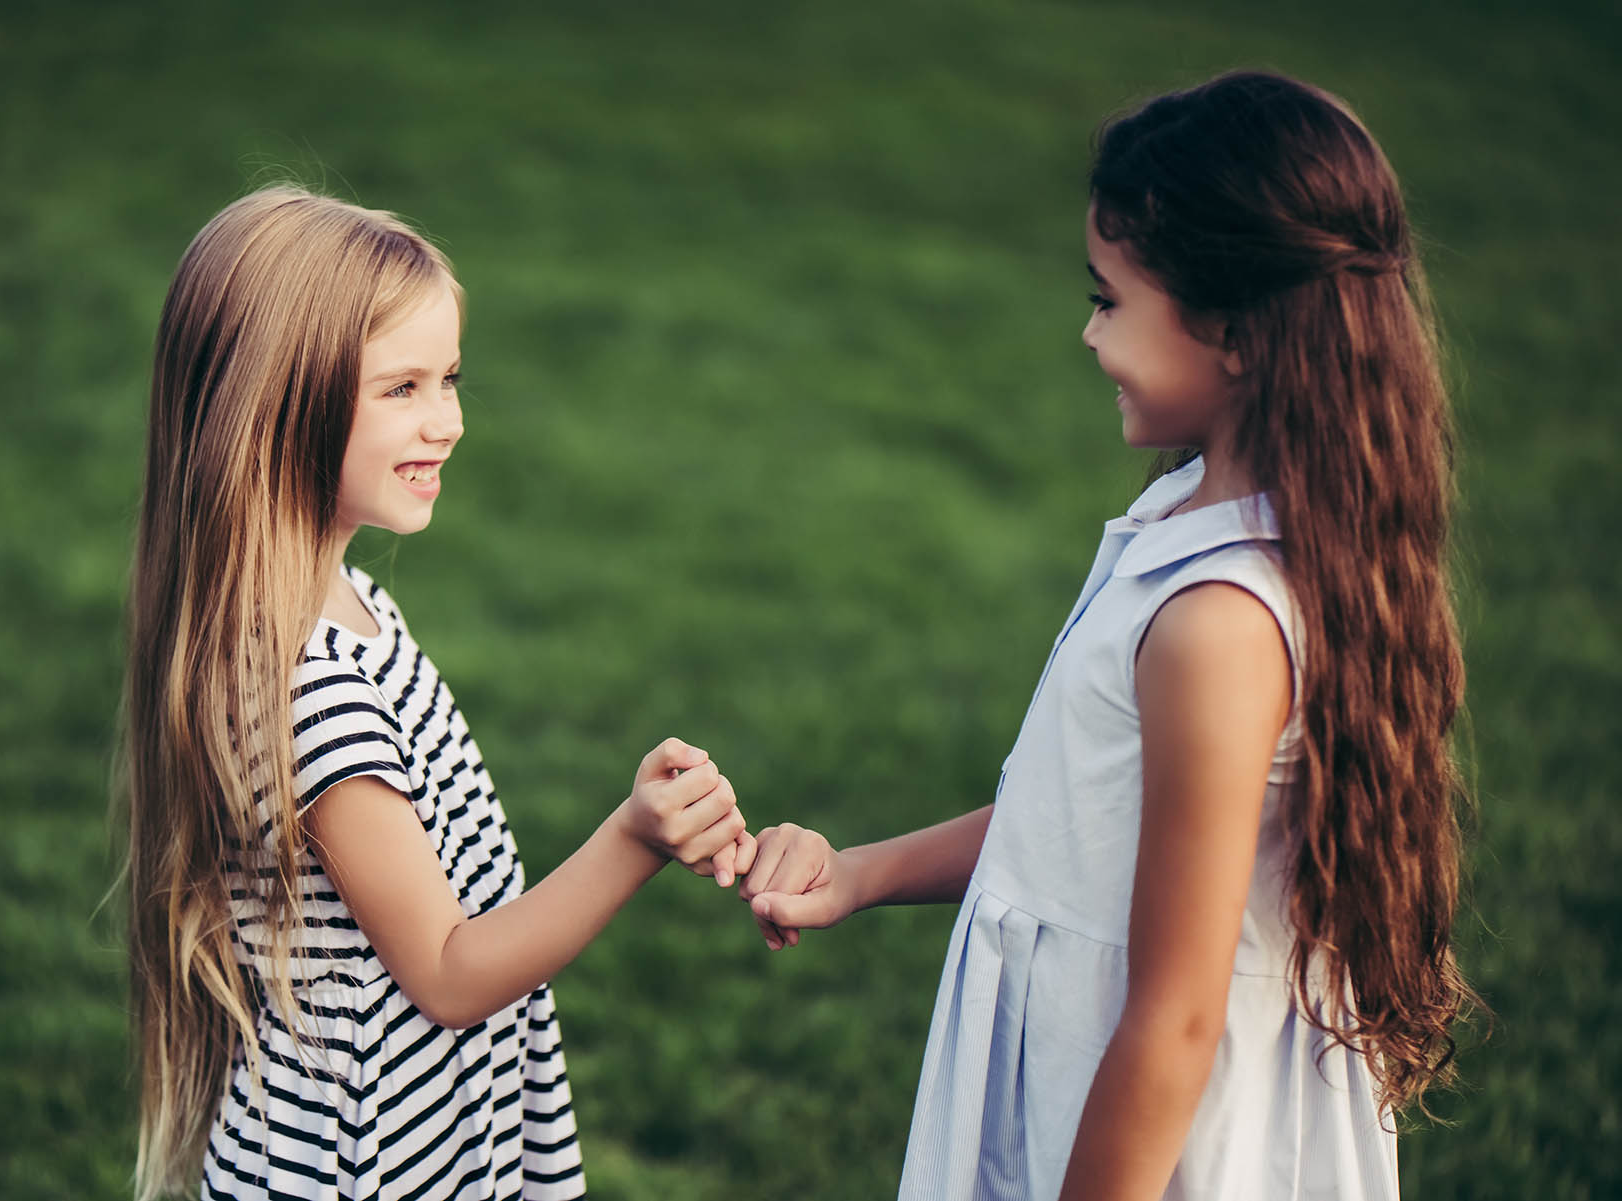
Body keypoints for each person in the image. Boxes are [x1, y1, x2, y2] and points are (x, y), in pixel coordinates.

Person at [738, 71, 1479, 1200]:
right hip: (1097, 1089)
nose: (1088, 334)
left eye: (1110, 300)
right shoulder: (1186, 526)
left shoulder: (1219, 623)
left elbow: (1178, 1019)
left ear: (1230, 328)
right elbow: (1080, 822)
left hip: (1161, 1147)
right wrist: (857, 874)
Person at [120, 186, 756, 1201]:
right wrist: (633, 838)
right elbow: (451, 970)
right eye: (403, 387)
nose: (448, 421)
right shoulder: (308, 692)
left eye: (450, 378)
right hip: (363, 1160)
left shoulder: (351, 603)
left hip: (422, 1119)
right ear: (281, 403)